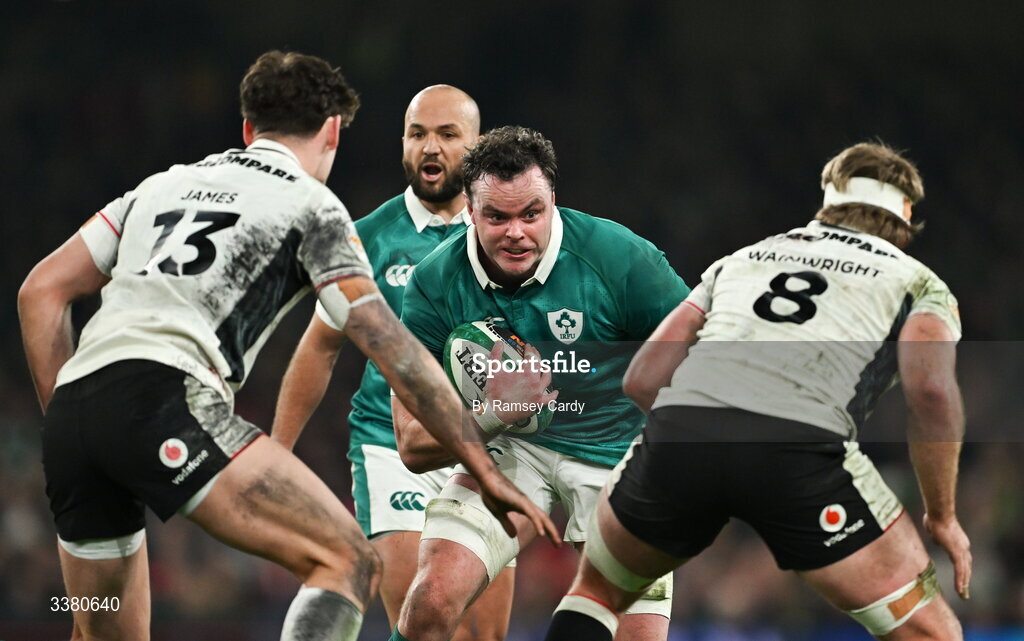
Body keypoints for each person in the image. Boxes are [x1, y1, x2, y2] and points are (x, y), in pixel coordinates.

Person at [17, 51, 557, 641]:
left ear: (249, 127)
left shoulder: (160, 186)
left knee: (100, 628)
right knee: (346, 562)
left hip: (72, 419)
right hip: (165, 399)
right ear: (332, 132)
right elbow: (389, 346)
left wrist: (70, 420)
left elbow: (40, 292)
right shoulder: (313, 207)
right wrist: (480, 461)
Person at [543, 142, 972, 641]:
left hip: (682, 435)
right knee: (930, 631)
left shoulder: (743, 259)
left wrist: (705, 455)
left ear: (828, 202)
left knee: (596, 594)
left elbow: (642, 376)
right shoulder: (917, 282)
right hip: (801, 451)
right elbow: (932, 392)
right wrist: (942, 515)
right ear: (906, 217)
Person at [386, 125, 690, 641]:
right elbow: (412, 444)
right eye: (497, 217)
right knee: (431, 600)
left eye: (531, 214)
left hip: (617, 450)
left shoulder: (620, 259)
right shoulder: (434, 286)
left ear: (553, 202)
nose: (516, 232)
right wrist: (493, 414)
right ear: (469, 211)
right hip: (510, 445)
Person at [272, 84, 516, 640]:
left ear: (477, 145)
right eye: (417, 134)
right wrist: (276, 455)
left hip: (489, 448)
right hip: (392, 449)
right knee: (425, 621)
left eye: (448, 134)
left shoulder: (510, 233)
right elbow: (320, 346)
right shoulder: (367, 240)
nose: (430, 147)